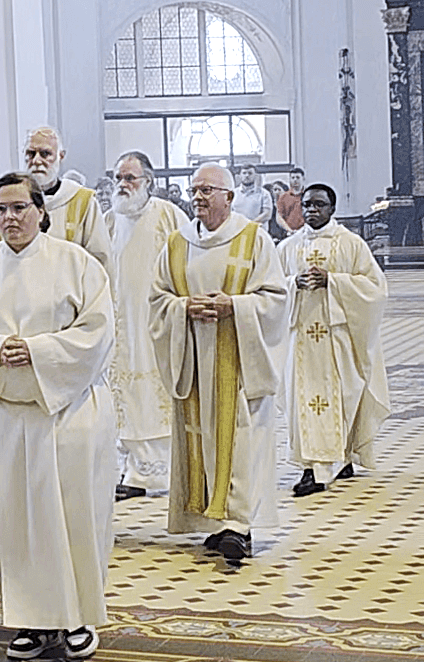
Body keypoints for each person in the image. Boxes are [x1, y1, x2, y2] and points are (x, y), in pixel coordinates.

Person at [0, 173, 116, 662]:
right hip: (5, 415)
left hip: (67, 411)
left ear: (41, 212)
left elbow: (98, 331)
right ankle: (30, 619)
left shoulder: (77, 264)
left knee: (73, 517)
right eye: (1, 209)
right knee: (14, 521)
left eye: (20, 208)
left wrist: (42, 351)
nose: (10, 217)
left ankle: (77, 617)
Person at [149, 164, 289, 567]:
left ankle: (239, 525)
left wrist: (235, 306)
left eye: (208, 189)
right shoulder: (177, 243)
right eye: (194, 190)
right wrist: (182, 307)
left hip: (238, 358)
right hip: (193, 357)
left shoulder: (252, 239)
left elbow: (277, 298)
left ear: (229, 196)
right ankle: (212, 520)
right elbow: (157, 299)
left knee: (239, 438)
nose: (199, 196)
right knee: (200, 437)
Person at [279, 184, 389, 495]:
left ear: (332, 208)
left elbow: (375, 288)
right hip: (299, 340)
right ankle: (312, 467)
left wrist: (333, 282)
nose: (311, 210)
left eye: (319, 205)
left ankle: (336, 460)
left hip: (337, 340)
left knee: (340, 398)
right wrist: (292, 283)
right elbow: (270, 288)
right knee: (302, 401)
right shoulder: (288, 248)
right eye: (307, 205)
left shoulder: (350, 244)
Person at [106, 153, 180, 498]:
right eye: (118, 178)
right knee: (124, 397)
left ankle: (159, 471)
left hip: (157, 322)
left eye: (130, 178)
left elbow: (185, 261)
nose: (123, 185)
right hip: (119, 323)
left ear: (148, 181)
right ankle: (131, 471)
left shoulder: (167, 215)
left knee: (155, 395)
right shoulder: (109, 220)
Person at [0, 127, 111, 270]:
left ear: (61, 156)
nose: (36, 161)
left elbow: (100, 263)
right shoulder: (5, 202)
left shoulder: (82, 201)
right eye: (30, 153)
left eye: (45, 154)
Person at [277, 169, 305, 233]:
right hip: (288, 233)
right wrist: (289, 230)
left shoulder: (308, 195)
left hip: (305, 232)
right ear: (290, 179)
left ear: (303, 178)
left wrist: (302, 230)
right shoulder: (283, 197)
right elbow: (279, 217)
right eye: (293, 177)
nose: (295, 179)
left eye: (298, 177)